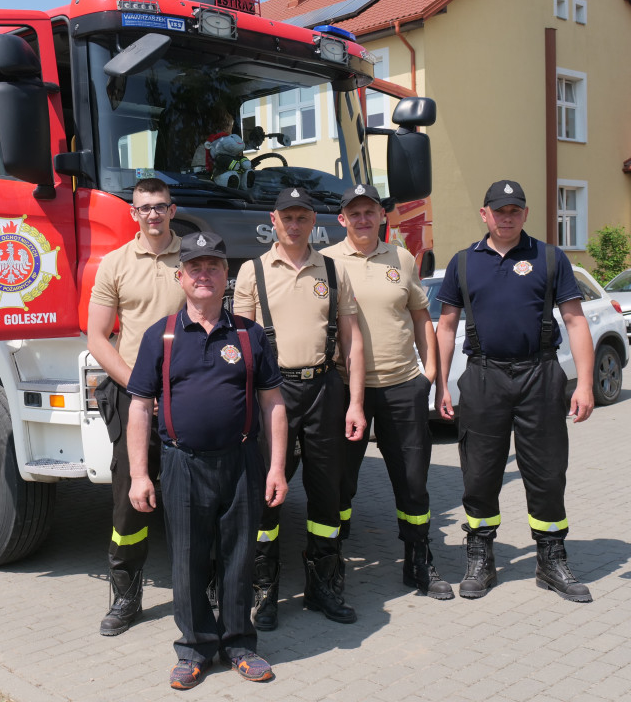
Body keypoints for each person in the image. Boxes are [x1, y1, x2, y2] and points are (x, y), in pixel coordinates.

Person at [127, 231, 288, 690]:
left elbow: (274, 403)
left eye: (213, 266)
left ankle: (240, 644)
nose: (204, 274)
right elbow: (140, 405)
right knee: (188, 560)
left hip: (241, 463)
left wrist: (275, 467)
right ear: (180, 277)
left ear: (226, 276)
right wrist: (140, 474)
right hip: (183, 465)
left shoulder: (249, 334)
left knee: (239, 557)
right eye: (194, 267)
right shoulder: (161, 335)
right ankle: (195, 648)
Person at [435, 179, 594, 602]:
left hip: (540, 375)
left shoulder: (549, 257)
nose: (507, 217)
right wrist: (440, 386)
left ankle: (550, 559)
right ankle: (480, 557)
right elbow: (446, 327)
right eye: (499, 210)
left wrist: (586, 384)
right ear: (484, 214)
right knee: (480, 471)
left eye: (514, 210)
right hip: (484, 377)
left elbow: (577, 322)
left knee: (546, 471)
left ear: (524, 214)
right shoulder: (464, 262)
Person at [233, 187, 367, 629]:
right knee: (267, 497)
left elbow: (352, 339)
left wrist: (357, 403)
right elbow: (242, 344)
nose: (294, 225)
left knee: (327, 494)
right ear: (274, 221)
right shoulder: (253, 271)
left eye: (302, 218)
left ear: (314, 221)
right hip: (274, 395)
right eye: (287, 217)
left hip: (326, 390)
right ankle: (264, 589)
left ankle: (323, 584)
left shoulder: (331, 269)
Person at [327, 184, 453, 600]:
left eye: (370, 212)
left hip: (402, 386)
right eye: (354, 213)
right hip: (348, 390)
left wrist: (429, 374)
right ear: (342, 219)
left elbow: (421, 318)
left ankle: (418, 561)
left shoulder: (400, 258)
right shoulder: (326, 261)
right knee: (340, 481)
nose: (363, 219)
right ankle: (333, 562)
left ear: (382, 216)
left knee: (412, 480)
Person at [87, 177, 185, 636]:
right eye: (144, 207)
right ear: (133, 213)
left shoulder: (195, 258)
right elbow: (97, 337)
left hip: (189, 396)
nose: (152, 214)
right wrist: (138, 384)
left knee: (200, 494)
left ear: (172, 209)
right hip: (135, 398)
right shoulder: (114, 264)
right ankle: (126, 596)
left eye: (160, 206)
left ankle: (202, 589)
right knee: (131, 498)